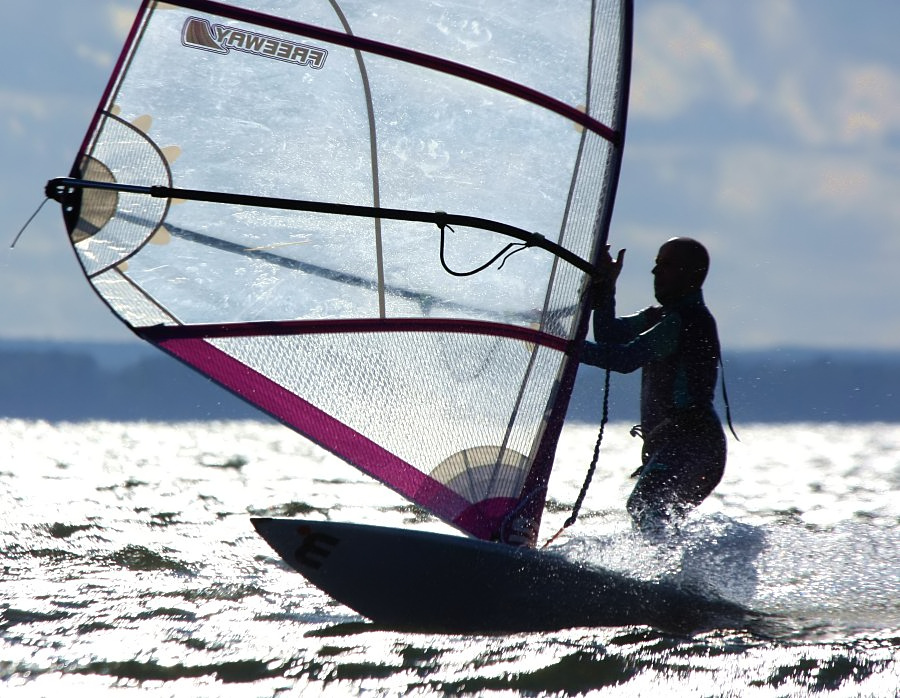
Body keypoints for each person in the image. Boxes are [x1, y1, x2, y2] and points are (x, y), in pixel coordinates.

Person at [581, 237, 727, 533]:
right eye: (657, 264)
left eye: (666, 265)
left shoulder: (686, 321)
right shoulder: (660, 316)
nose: (654, 272)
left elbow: (624, 360)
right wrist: (605, 288)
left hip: (694, 444)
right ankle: (671, 572)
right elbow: (609, 335)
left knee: (645, 505)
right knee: (654, 513)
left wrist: (565, 347)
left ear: (691, 273)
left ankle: (657, 574)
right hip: (678, 445)